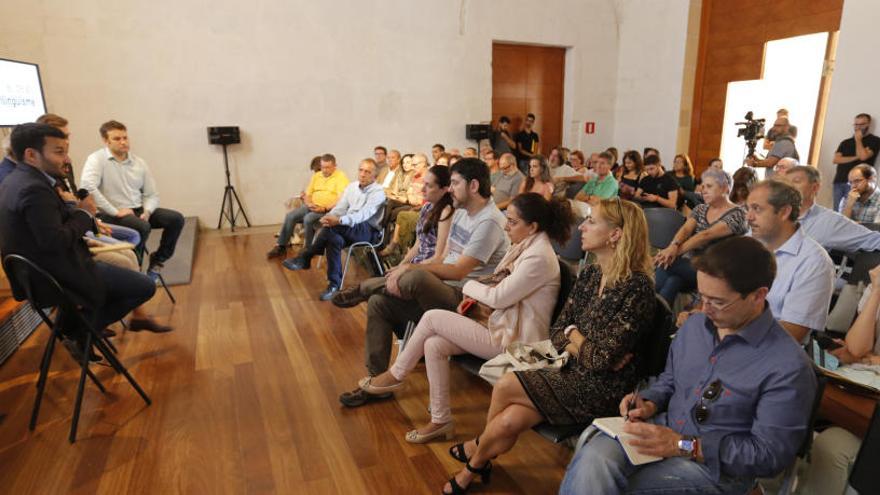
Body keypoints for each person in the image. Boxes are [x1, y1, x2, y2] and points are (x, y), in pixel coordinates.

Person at [561, 236, 817, 495]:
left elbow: (768, 455)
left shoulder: (787, 366)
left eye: (717, 301)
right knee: (593, 459)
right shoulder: (695, 327)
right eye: (700, 296)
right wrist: (649, 401)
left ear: (758, 295)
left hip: (717, 470)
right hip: (664, 431)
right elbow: (670, 380)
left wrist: (683, 445)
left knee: (619, 487)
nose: (704, 308)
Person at [442, 197, 656, 494]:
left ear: (615, 234)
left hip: (604, 388)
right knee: (508, 421)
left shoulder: (637, 287)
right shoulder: (592, 274)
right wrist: (578, 340)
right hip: (569, 369)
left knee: (506, 385)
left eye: (591, 221)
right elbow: (559, 331)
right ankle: (480, 459)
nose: (582, 226)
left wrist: (576, 338)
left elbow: (600, 361)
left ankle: (473, 464)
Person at [357, 194, 573, 444]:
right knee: (434, 344)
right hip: (501, 327)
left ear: (532, 226)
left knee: (431, 317)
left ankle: (396, 374)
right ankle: (441, 421)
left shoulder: (538, 256)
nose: (506, 226)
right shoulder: (526, 246)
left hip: (517, 342)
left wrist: (468, 285)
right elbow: (496, 289)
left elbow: (498, 297)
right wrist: (478, 289)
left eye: (512, 222)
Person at [338, 158, 509, 407]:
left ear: (473, 186)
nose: (450, 189)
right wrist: (408, 269)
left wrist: (411, 268)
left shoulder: (489, 221)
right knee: (378, 303)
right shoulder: (462, 212)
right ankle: (377, 384)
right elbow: (445, 256)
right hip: (441, 293)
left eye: (454, 183)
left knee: (416, 276)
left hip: (466, 303)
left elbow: (458, 271)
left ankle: (364, 287)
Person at [0, 124, 159, 357]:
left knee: (126, 263)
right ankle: (78, 330)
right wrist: (84, 213)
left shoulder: (16, 181)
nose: (66, 159)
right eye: (58, 152)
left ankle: (77, 326)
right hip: (54, 277)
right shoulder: (33, 189)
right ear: (31, 155)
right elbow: (55, 241)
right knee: (144, 286)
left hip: (38, 273)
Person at [332, 165, 455, 308]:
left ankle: (361, 290)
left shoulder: (446, 212)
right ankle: (363, 291)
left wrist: (408, 268)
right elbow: (418, 245)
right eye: (424, 184)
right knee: (381, 291)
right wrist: (401, 265)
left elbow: (438, 257)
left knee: (379, 290)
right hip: (416, 264)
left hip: (427, 271)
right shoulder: (427, 208)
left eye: (429, 186)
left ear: (444, 189)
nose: (422, 189)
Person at [80, 120, 185, 274]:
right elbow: (88, 187)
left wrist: (148, 211)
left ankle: (159, 259)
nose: (123, 142)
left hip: (137, 210)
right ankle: (136, 269)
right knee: (142, 227)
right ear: (105, 141)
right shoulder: (96, 159)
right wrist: (115, 211)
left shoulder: (139, 163)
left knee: (176, 218)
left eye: (125, 137)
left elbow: (152, 195)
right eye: (117, 139)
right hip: (110, 214)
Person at [281, 159, 386, 301]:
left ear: (375, 175)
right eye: (360, 170)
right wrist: (329, 217)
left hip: (368, 230)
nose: (362, 174)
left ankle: (306, 257)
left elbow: (363, 215)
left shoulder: (378, 192)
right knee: (333, 238)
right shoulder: (352, 187)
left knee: (334, 227)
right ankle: (334, 285)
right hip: (349, 227)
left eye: (367, 172)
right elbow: (341, 208)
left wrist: (339, 220)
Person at [746, 179, 834, 343]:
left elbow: (792, 333)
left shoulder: (815, 262)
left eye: (756, 209)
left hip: (771, 351)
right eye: (748, 208)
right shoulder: (746, 242)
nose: (748, 217)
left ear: (784, 212)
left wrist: (733, 332)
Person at [654, 168, 745, 305]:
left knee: (666, 264)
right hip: (690, 266)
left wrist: (672, 253)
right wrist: (673, 246)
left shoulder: (738, 214)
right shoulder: (701, 209)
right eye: (703, 186)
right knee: (673, 281)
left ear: (725, 188)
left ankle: (642, 308)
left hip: (717, 270)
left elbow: (705, 235)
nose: (703, 190)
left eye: (709, 186)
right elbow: (685, 229)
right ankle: (659, 322)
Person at [267, 153, 349, 258]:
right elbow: (308, 194)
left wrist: (324, 208)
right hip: (313, 206)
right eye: (323, 167)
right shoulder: (317, 176)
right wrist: (309, 203)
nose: (324, 170)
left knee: (308, 218)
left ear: (335, 166)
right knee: (290, 216)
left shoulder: (340, 177)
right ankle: (281, 246)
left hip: (328, 210)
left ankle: (309, 249)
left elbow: (341, 199)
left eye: (327, 167)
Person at [784, 165, 880, 253]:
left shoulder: (828, 221)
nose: (853, 186)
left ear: (815, 187)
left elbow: (873, 239)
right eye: (850, 182)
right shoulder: (775, 214)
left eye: (796, 181)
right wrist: (849, 204)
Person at [379, 153, 430, 256]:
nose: (412, 167)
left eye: (414, 165)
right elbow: (409, 194)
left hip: (420, 207)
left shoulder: (428, 177)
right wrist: (410, 196)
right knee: (388, 205)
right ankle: (385, 241)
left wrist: (411, 197)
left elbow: (419, 199)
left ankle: (390, 242)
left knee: (398, 213)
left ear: (423, 164)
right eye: (411, 164)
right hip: (410, 203)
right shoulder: (414, 176)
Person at [829, 264, 880, 365]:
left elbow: (856, 355)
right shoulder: (875, 285)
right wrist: (876, 291)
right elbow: (856, 348)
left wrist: (865, 359)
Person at [832, 113, 880, 211]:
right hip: (839, 182)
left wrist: (858, 140)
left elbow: (863, 157)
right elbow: (836, 160)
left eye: (861, 124)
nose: (858, 127)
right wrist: (856, 157)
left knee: (853, 213)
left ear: (868, 124)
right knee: (837, 213)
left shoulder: (875, 141)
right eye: (856, 124)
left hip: (858, 184)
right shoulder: (845, 142)